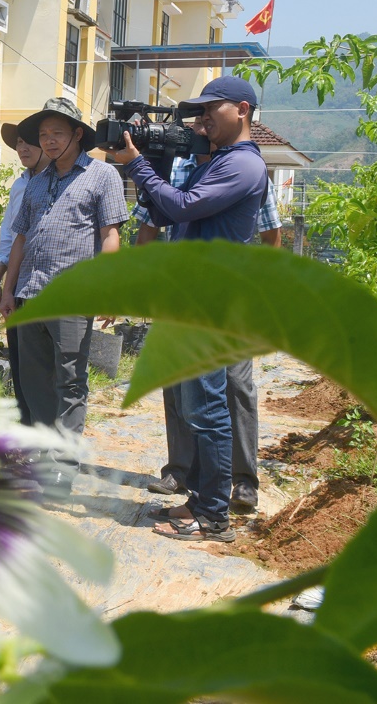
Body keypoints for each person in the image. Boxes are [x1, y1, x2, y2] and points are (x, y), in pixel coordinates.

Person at [109, 75, 270, 544]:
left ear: (241, 109)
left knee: (208, 410)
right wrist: (154, 162)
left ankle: (214, 518)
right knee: (192, 404)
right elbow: (163, 211)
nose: (200, 119)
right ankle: (200, 499)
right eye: (197, 113)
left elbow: (181, 206)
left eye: (209, 111)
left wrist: (138, 163)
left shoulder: (243, 165)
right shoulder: (215, 161)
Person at [136, 125, 284, 514]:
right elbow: (148, 227)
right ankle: (182, 471)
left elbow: (272, 234)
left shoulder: (243, 169)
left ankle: (243, 481)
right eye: (194, 123)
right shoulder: (174, 167)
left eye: (205, 120)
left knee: (235, 384)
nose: (200, 129)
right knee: (178, 386)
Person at [0, 98, 128, 441]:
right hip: (30, 294)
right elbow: (20, 239)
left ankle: (64, 463)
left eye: (57, 132)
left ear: (77, 134)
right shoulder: (36, 183)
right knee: (33, 379)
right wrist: (10, 289)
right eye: (43, 134)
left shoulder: (102, 175)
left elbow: (110, 235)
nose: (49, 140)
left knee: (70, 378)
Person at [0, 114, 48, 425]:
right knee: (20, 361)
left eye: (29, 142)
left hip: (47, 282)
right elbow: (10, 234)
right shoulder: (20, 184)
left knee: (46, 367)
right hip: (17, 282)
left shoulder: (55, 182)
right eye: (19, 143)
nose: (22, 148)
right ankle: (27, 427)